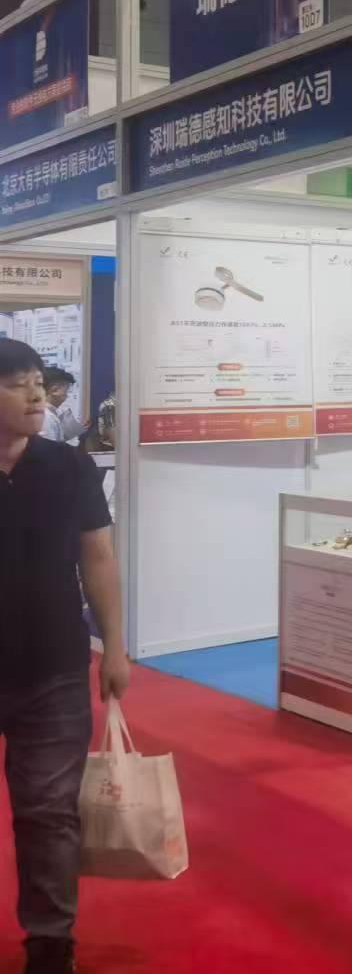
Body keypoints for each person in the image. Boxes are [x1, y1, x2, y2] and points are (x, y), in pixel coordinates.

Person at [0, 339, 128, 974]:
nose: (35, 395)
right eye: (16, 384)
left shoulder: (70, 467)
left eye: (35, 381)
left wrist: (115, 647)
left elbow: (97, 557)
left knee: (48, 812)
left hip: (53, 666)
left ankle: (51, 945)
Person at [35, 369, 83, 447]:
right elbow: (50, 450)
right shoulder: (46, 417)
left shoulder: (53, 412)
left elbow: (72, 442)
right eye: (66, 390)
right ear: (55, 390)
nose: (67, 395)